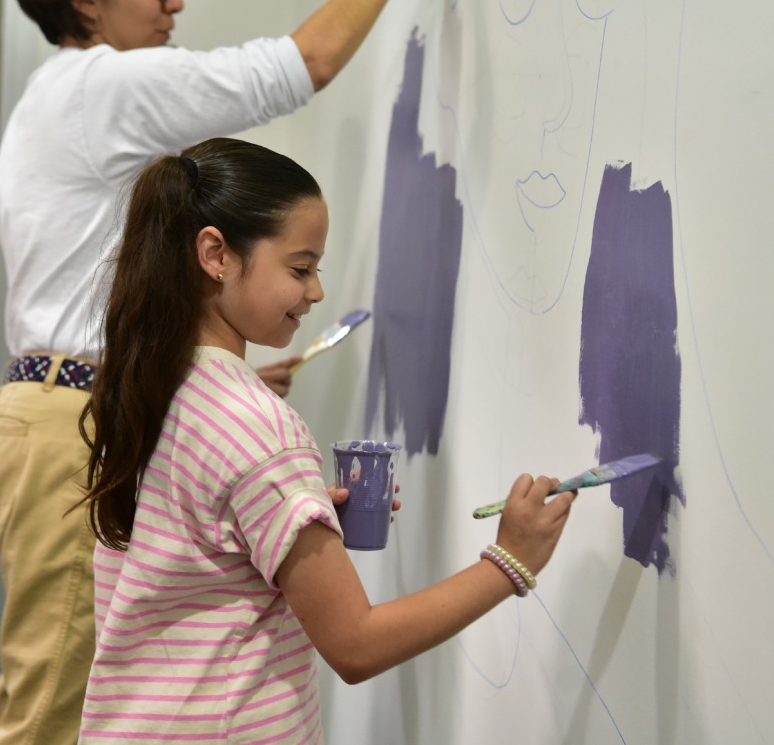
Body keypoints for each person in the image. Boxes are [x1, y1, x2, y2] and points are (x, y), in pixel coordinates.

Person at [0, 0, 432, 745]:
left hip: (72, 409)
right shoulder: (100, 86)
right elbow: (304, 64)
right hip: (69, 416)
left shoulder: (55, 100)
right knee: (49, 712)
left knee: (66, 694)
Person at [78, 137, 576, 742]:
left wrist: (293, 517)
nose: (315, 292)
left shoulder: (150, 387)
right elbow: (356, 645)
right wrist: (511, 562)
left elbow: (198, 554)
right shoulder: (256, 425)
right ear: (215, 254)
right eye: (300, 268)